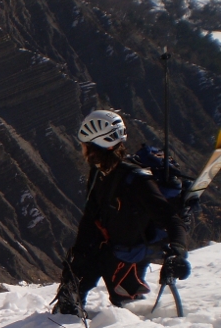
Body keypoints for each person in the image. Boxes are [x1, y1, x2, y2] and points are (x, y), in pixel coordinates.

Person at [53, 110, 191, 315]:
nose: (81, 148)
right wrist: (77, 259)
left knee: (127, 306)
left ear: (94, 145)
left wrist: (178, 253)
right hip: (113, 245)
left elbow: (171, 218)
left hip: (130, 252)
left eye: (84, 143)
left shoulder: (136, 180)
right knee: (69, 297)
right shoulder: (99, 173)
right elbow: (91, 217)